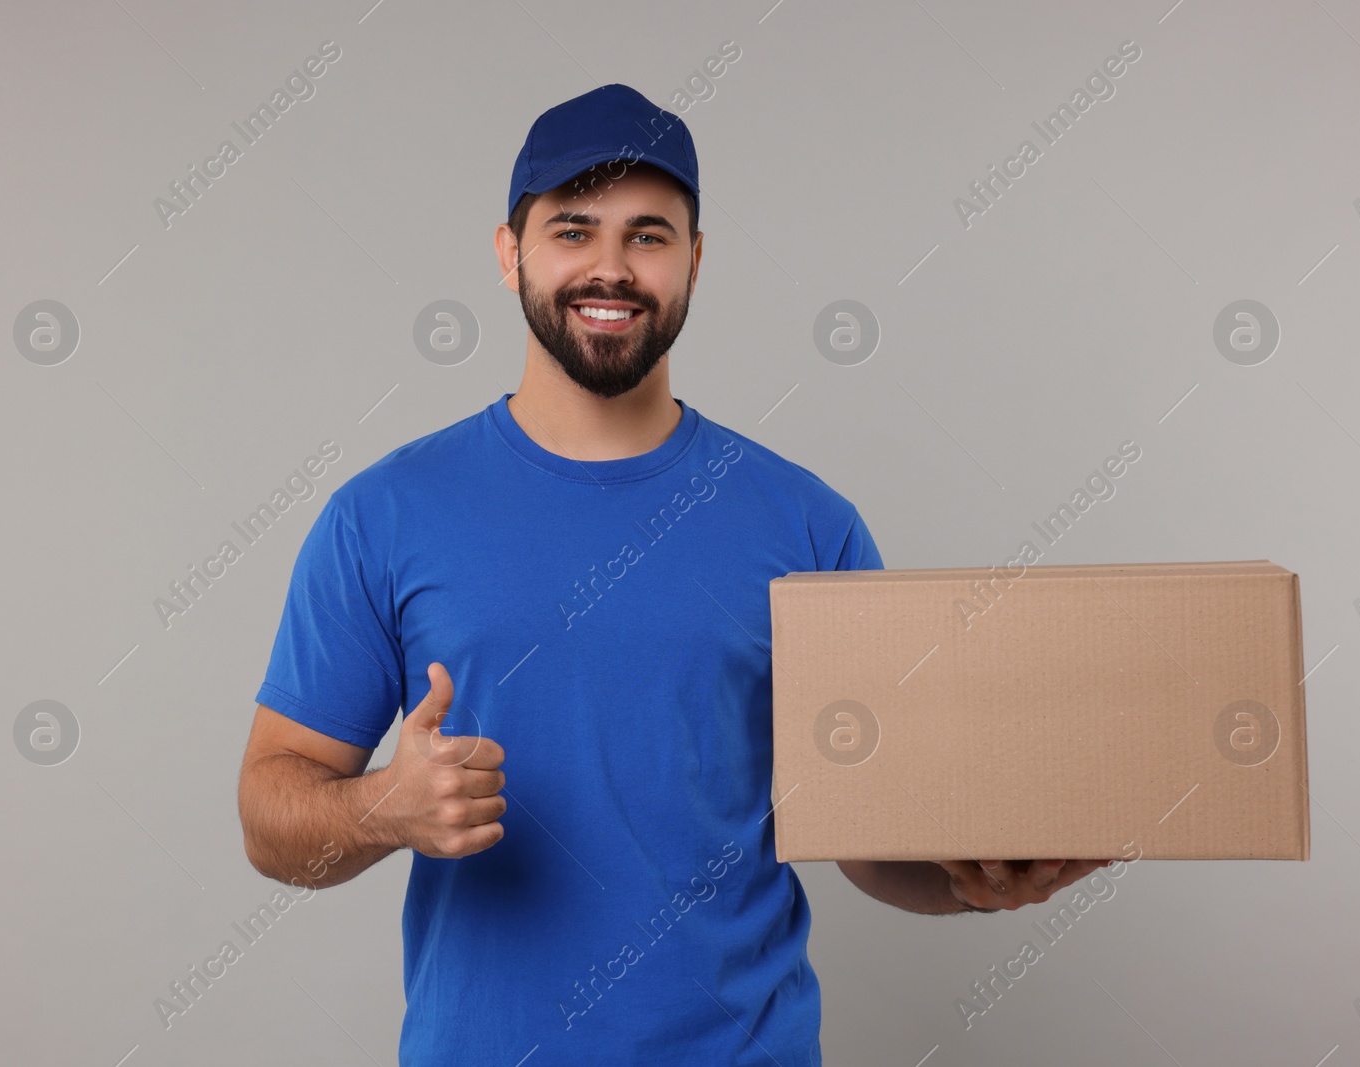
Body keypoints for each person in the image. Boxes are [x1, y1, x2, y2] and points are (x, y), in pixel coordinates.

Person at [237, 82, 1110, 1066]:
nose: (610, 266)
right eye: (573, 228)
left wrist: (969, 875)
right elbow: (271, 809)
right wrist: (378, 807)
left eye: (648, 234)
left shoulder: (806, 524)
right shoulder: (385, 513)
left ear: (694, 260)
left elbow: (868, 834)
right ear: (507, 250)